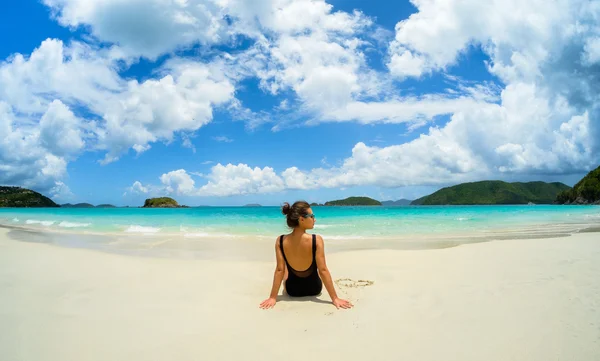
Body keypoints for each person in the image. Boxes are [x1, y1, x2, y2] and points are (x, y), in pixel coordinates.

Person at [259, 200, 353, 310]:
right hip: (315, 289)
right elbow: (323, 270)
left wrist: (272, 298)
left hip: (292, 290)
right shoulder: (316, 240)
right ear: (301, 219)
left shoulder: (280, 240)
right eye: (312, 216)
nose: (314, 219)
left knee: (285, 270)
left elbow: (279, 270)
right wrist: (335, 298)